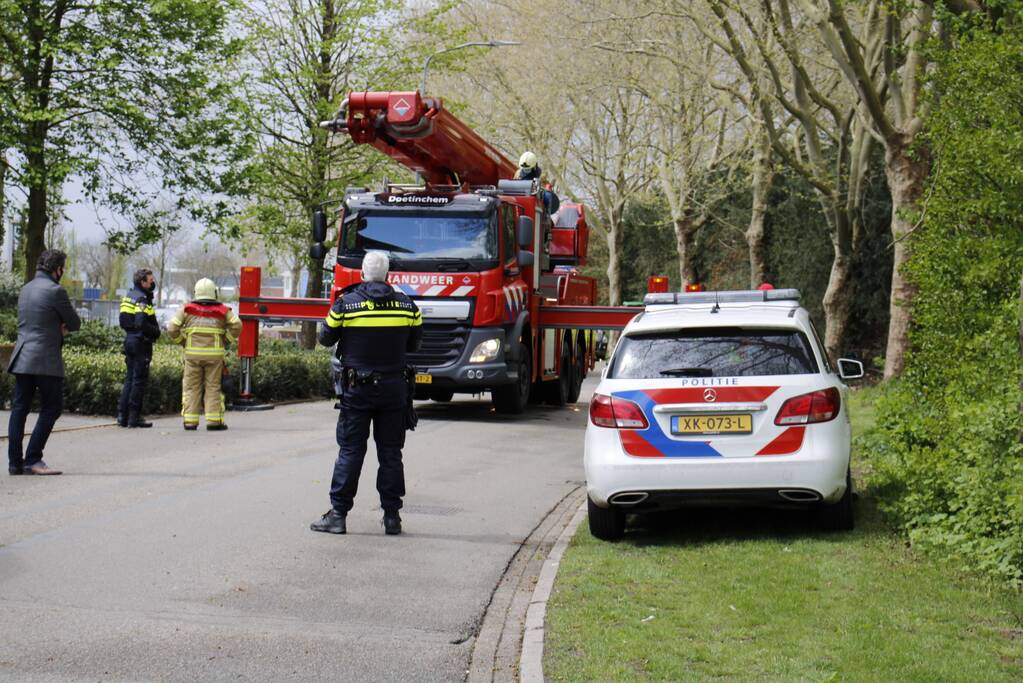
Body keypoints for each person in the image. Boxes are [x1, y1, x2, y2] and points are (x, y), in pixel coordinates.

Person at [311, 251, 423, 536]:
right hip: (394, 389)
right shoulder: (408, 306)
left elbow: (325, 337)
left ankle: (338, 516)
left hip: (356, 391)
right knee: (390, 453)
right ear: (388, 276)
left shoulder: (346, 305)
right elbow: (415, 345)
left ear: (361, 273)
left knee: (350, 451)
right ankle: (392, 517)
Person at [6, 249, 81, 475]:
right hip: (46, 359)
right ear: (57, 269)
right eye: (63, 268)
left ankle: (14, 463)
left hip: (22, 357)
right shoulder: (56, 291)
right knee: (52, 407)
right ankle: (33, 458)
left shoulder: (25, 289)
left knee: (19, 409)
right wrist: (61, 326)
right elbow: (75, 323)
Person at [166, 278, 242, 431]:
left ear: (196, 292)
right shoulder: (223, 310)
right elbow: (237, 325)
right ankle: (214, 422)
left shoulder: (186, 309)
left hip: (192, 356)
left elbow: (172, 328)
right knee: (213, 387)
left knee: (191, 387)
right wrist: (225, 340)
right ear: (214, 292)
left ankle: (190, 422)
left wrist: (183, 341)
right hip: (214, 356)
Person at [118, 268, 160, 428]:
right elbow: (141, 322)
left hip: (129, 340)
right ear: (142, 282)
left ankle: (122, 416)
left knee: (129, 379)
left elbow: (123, 321)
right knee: (139, 380)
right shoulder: (142, 299)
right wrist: (155, 331)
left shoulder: (128, 297)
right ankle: (134, 417)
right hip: (141, 342)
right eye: (150, 281)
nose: (152, 283)